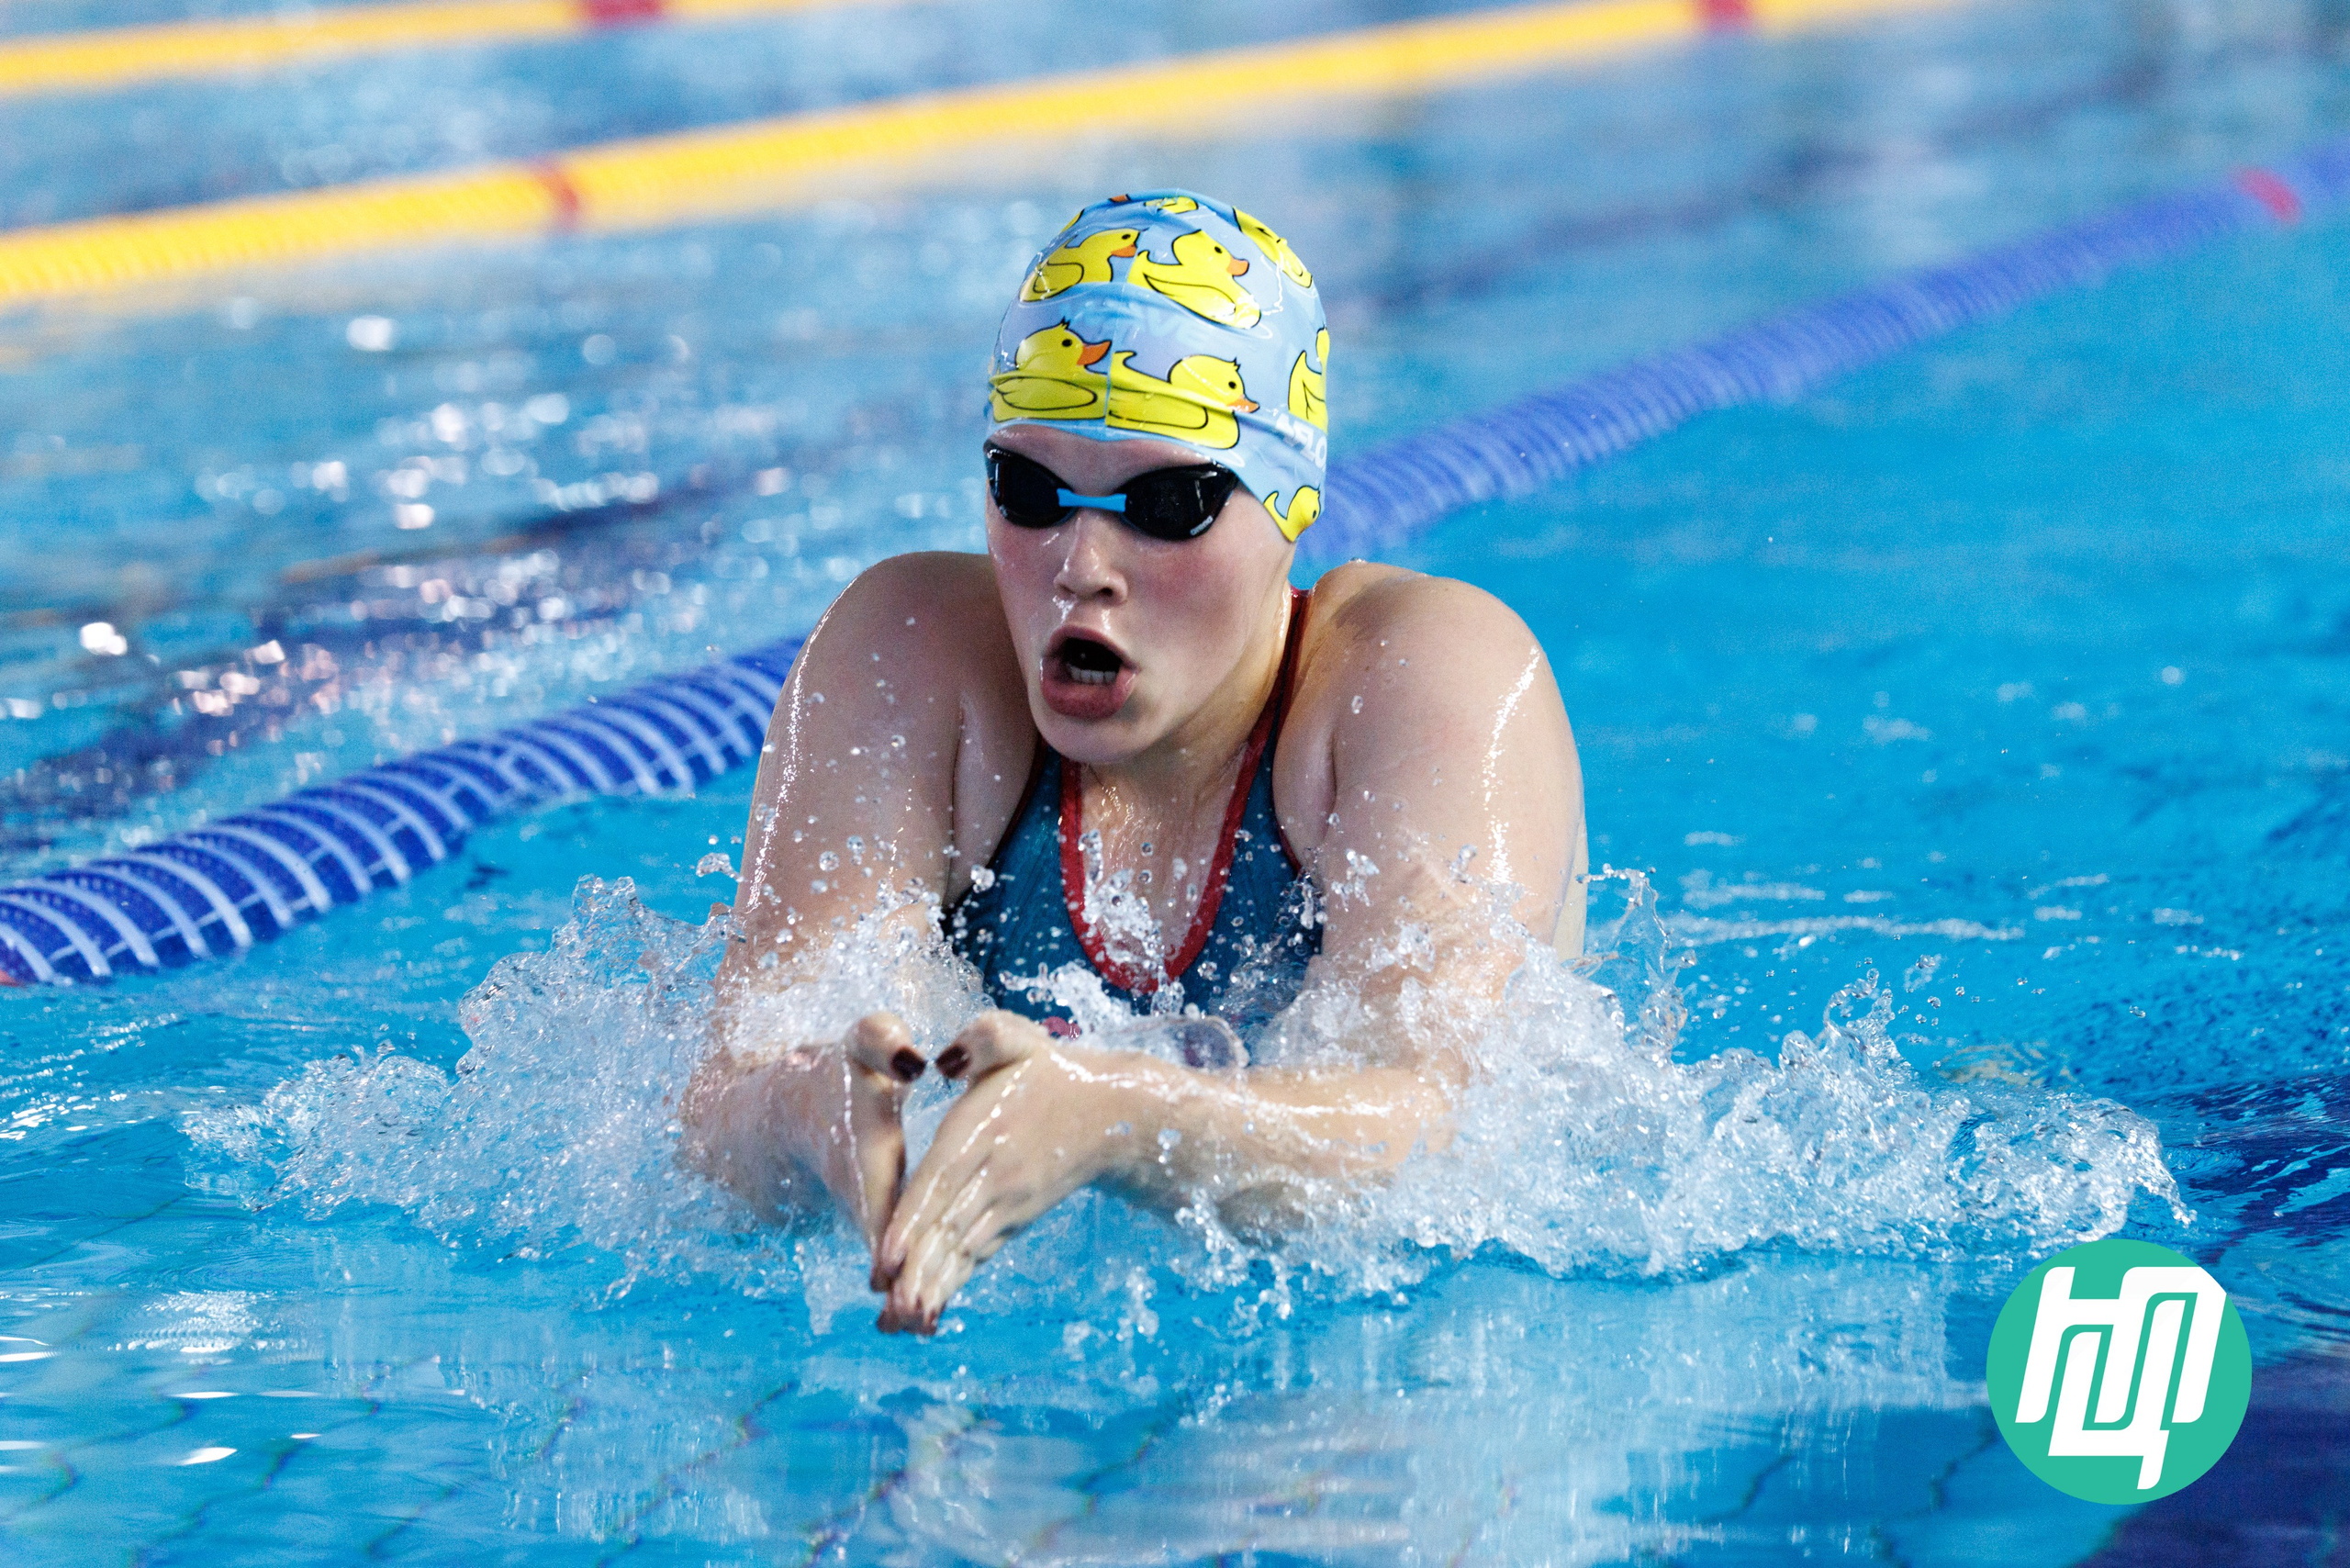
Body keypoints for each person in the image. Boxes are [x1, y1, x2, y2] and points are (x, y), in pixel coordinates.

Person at [683, 191, 1584, 1334]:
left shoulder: (1422, 682)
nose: (1080, 565)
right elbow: (716, 1105)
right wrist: (806, 1112)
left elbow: (1449, 1139)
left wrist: (1121, 1118)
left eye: (1167, 502)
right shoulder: (908, 656)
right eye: (1029, 491)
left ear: (1294, 502)